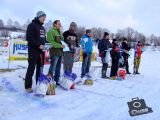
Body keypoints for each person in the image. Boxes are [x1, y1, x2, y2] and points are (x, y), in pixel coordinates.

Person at [25, 11, 46, 92]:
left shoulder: (43, 28)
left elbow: (42, 39)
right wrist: (38, 45)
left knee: (39, 70)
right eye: (43, 17)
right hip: (33, 51)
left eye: (45, 17)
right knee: (31, 68)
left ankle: (38, 84)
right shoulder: (32, 25)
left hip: (41, 52)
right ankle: (28, 86)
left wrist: (46, 45)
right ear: (38, 17)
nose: (44, 18)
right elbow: (29, 38)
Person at [47, 20, 65, 85]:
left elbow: (62, 41)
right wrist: (60, 45)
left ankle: (56, 81)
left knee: (58, 68)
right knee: (53, 67)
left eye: (60, 24)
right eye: (59, 24)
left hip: (60, 52)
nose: (60, 25)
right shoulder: (51, 32)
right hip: (54, 52)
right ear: (54, 24)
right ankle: (50, 81)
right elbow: (51, 42)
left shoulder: (59, 32)